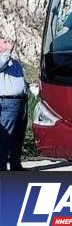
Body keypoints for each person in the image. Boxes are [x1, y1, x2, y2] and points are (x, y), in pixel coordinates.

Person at [0, 39, 27, 171]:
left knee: (19, 135)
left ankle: (16, 165)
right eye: (4, 42)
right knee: (5, 135)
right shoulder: (2, 60)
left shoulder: (14, 60)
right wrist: (7, 52)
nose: (8, 43)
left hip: (22, 100)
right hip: (8, 102)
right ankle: (1, 166)